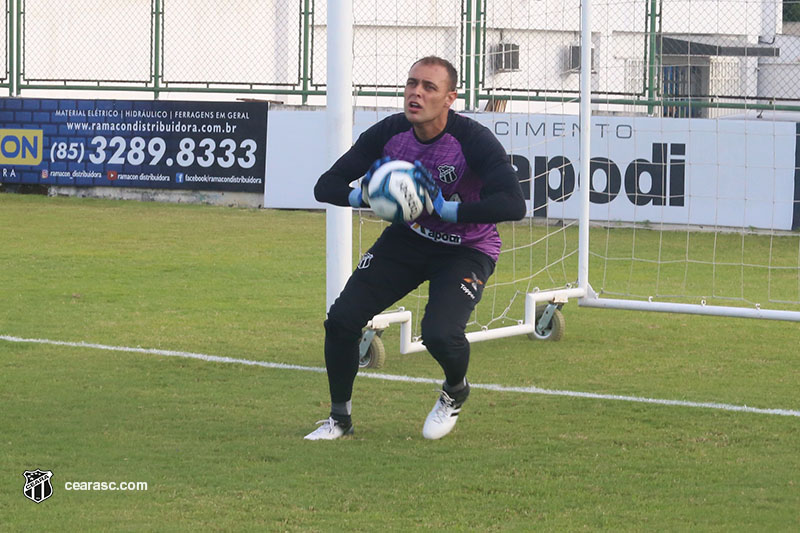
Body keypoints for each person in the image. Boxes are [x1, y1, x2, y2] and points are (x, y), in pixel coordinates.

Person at [307, 56, 526, 440]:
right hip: (407, 240)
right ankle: (339, 420)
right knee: (341, 321)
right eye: (412, 84)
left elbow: (513, 204)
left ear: (449, 98)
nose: (416, 93)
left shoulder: (471, 140)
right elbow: (326, 185)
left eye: (429, 87)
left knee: (439, 333)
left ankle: (455, 391)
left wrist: (447, 208)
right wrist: (366, 196)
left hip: (467, 248)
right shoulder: (390, 132)